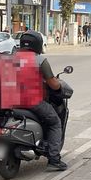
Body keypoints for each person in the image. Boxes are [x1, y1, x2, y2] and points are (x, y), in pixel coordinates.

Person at [18, 30, 68, 171]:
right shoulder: (39, 60)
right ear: (38, 44)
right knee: (55, 122)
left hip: (11, 101)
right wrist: (58, 85)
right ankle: (54, 159)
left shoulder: (11, 57)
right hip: (31, 101)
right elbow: (52, 83)